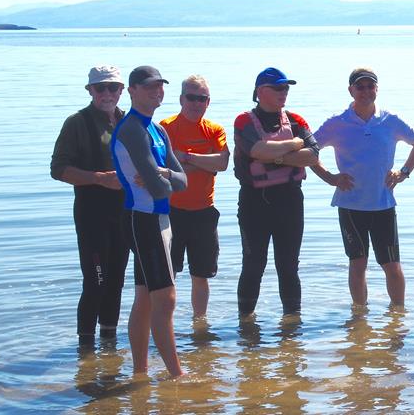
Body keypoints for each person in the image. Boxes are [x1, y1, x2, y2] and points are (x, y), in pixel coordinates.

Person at [311, 68, 414, 306]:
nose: (365, 91)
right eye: (359, 87)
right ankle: (359, 318)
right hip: (350, 204)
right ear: (351, 90)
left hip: (382, 202)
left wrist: (403, 172)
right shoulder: (337, 123)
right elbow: (309, 151)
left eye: (369, 86)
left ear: (376, 89)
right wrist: (329, 177)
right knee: (358, 263)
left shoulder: (390, 120)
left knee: (392, 265)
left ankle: (397, 317)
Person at [111, 65, 187, 378]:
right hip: (142, 218)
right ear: (132, 91)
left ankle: (140, 372)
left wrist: (165, 174)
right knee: (165, 298)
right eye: (149, 87)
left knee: (144, 297)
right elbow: (156, 188)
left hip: (160, 218)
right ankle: (176, 376)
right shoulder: (131, 129)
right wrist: (164, 180)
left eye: (160, 86)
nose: (157, 91)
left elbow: (181, 180)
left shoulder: (157, 129)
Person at [51, 65, 130, 348]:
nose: (107, 94)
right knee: (96, 281)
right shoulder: (77, 123)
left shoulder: (128, 121)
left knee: (117, 281)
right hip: (91, 214)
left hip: (123, 213)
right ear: (90, 91)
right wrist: (98, 179)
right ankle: (85, 350)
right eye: (101, 88)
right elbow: (58, 169)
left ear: (123, 90)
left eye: (113, 88)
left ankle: (109, 343)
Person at [233, 67, 319, 318]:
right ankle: (246, 326)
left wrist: (278, 158)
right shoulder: (244, 121)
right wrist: (293, 146)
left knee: (288, 266)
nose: (284, 92)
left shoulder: (296, 120)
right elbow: (257, 150)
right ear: (261, 92)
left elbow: (312, 156)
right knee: (253, 265)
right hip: (254, 203)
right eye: (278, 88)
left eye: (286, 88)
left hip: (289, 200)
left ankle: (291, 330)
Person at [160, 75, 229, 319]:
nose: (196, 103)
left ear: (208, 102)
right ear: (181, 99)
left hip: (204, 213)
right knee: (168, 275)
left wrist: (185, 158)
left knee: (201, 275)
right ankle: (165, 326)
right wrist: (202, 161)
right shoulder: (165, 128)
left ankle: (200, 325)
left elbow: (221, 162)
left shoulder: (213, 130)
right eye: (191, 97)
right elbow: (161, 170)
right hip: (171, 212)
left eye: (202, 98)